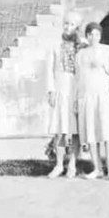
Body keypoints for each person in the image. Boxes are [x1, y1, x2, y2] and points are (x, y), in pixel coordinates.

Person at [76, 22, 109, 181]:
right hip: (88, 98)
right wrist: (78, 99)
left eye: (97, 34)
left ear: (100, 36)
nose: (93, 37)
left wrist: (104, 64)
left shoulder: (107, 50)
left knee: (108, 132)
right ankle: (97, 168)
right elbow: (78, 79)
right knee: (92, 133)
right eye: (90, 34)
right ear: (87, 36)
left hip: (105, 97)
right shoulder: (81, 54)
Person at [45, 11, 85, 179]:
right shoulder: (55, 44)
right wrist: (51, 90)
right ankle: (59, 164)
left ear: (78, 27)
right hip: (61, 89)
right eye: (66, 23)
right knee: (59, 130)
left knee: (75, 131)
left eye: (72, 24)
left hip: (76, 91)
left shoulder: (83, 44)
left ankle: (73, 165)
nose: (68, 27)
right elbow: (49, 69)